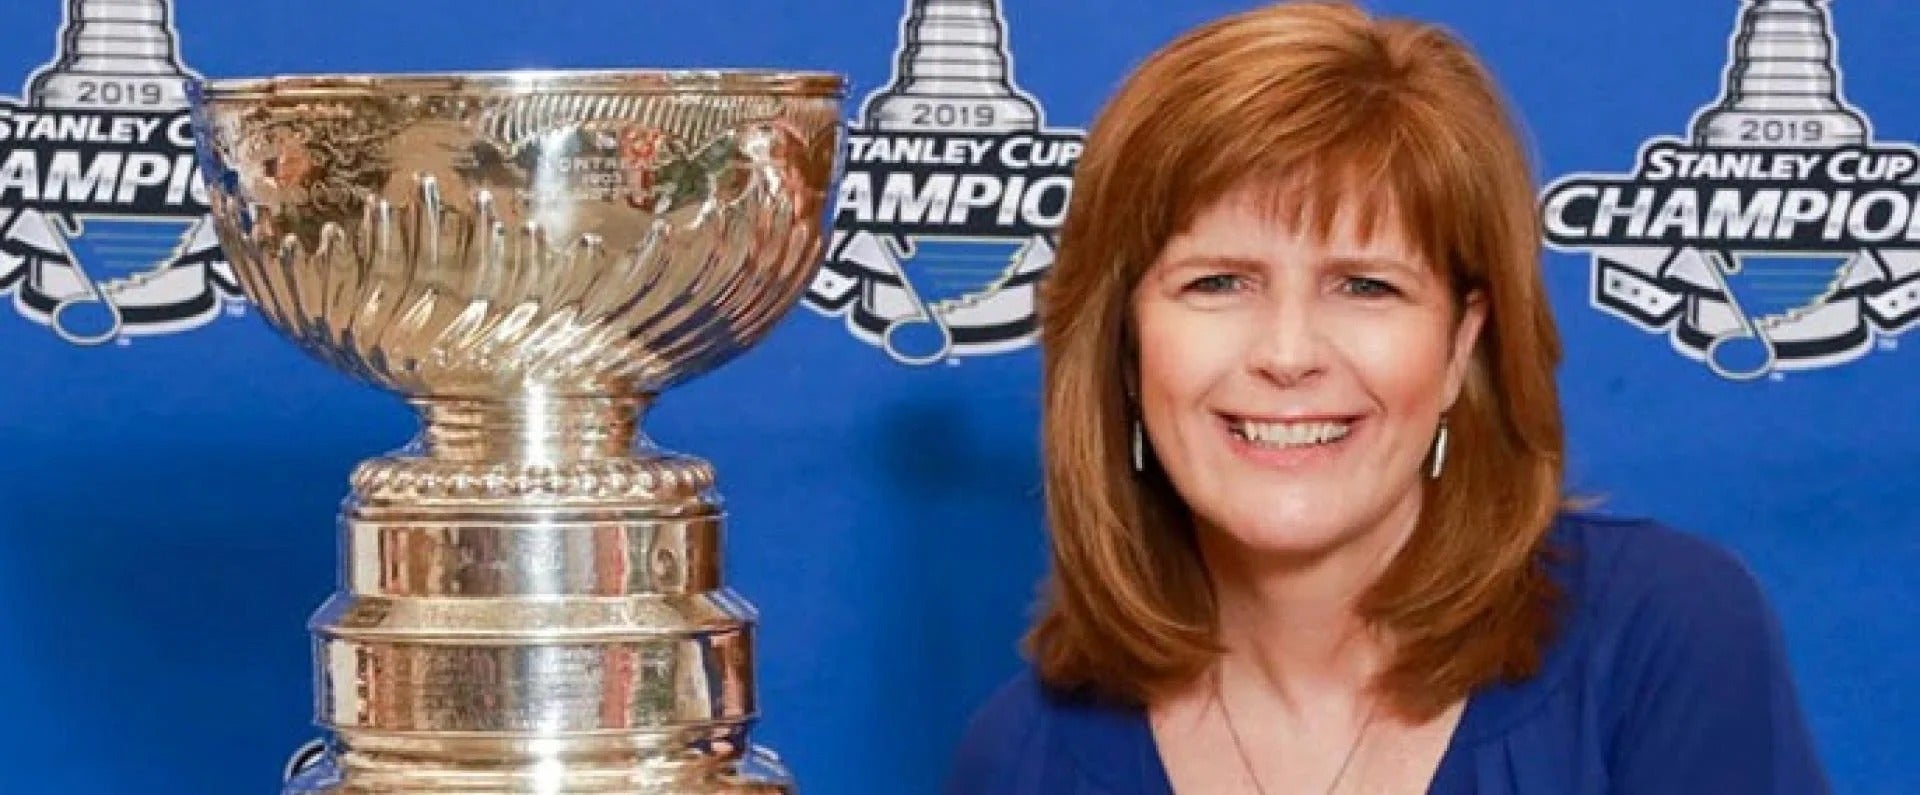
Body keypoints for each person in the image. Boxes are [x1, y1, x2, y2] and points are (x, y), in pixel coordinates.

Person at [943, 2, 1830, 793]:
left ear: (1459, 346)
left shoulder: (1660, 639)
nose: (1288, 355)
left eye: (1365, 286)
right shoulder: (1024, 758)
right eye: (1218, 282)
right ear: (1128, 350)